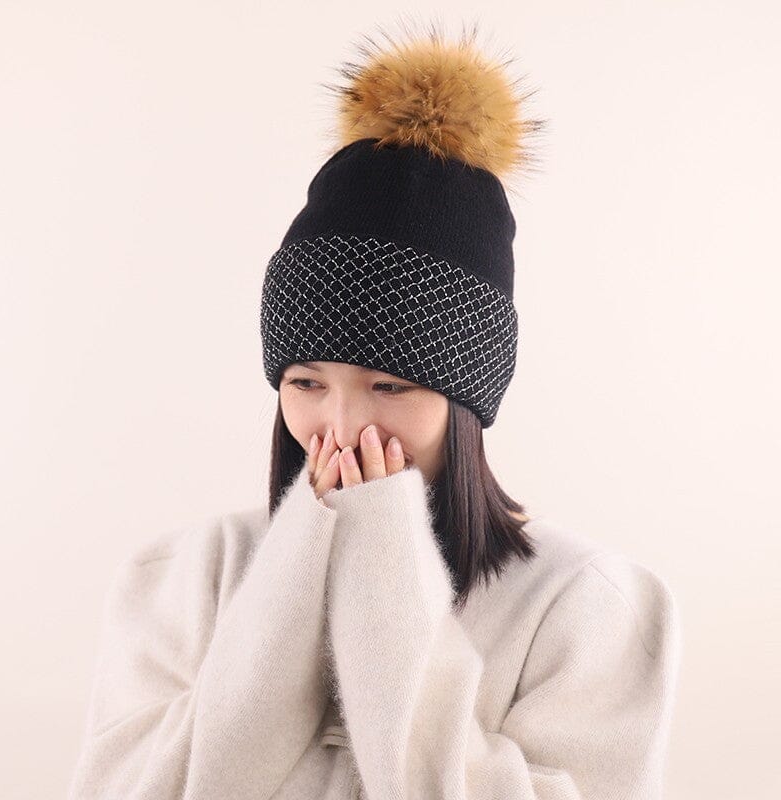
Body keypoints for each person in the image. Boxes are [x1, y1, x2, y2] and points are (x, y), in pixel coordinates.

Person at [67, 20, 682, 800]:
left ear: (468, 399)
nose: (344, 425)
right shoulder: (182, 578)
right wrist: (298, 566)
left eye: (391, 387)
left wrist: (387, 566)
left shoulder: (591, 604)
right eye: (306, 383)